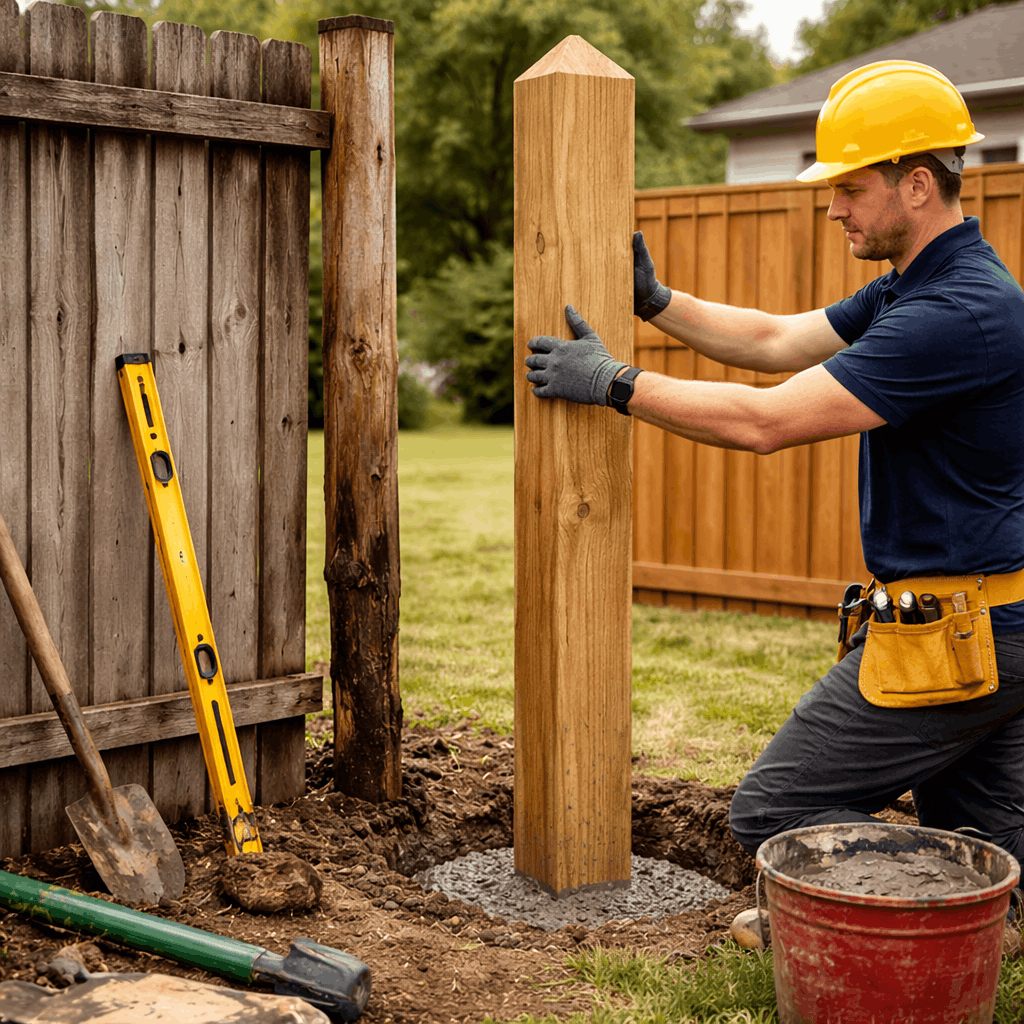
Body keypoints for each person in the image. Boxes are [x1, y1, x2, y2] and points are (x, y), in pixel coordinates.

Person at [524, 59, 1024, 942]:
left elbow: (764, 421)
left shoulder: (959, 310)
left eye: (848, 188)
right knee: (984, 837)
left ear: (916, 184)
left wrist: (615, 383)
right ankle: (980, 926)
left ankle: (866, 914)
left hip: (967, 636)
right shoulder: (920, 283)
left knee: (775, 812)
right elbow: (776, 340)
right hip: (992, 622)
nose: (832, 207)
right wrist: (659, 303)